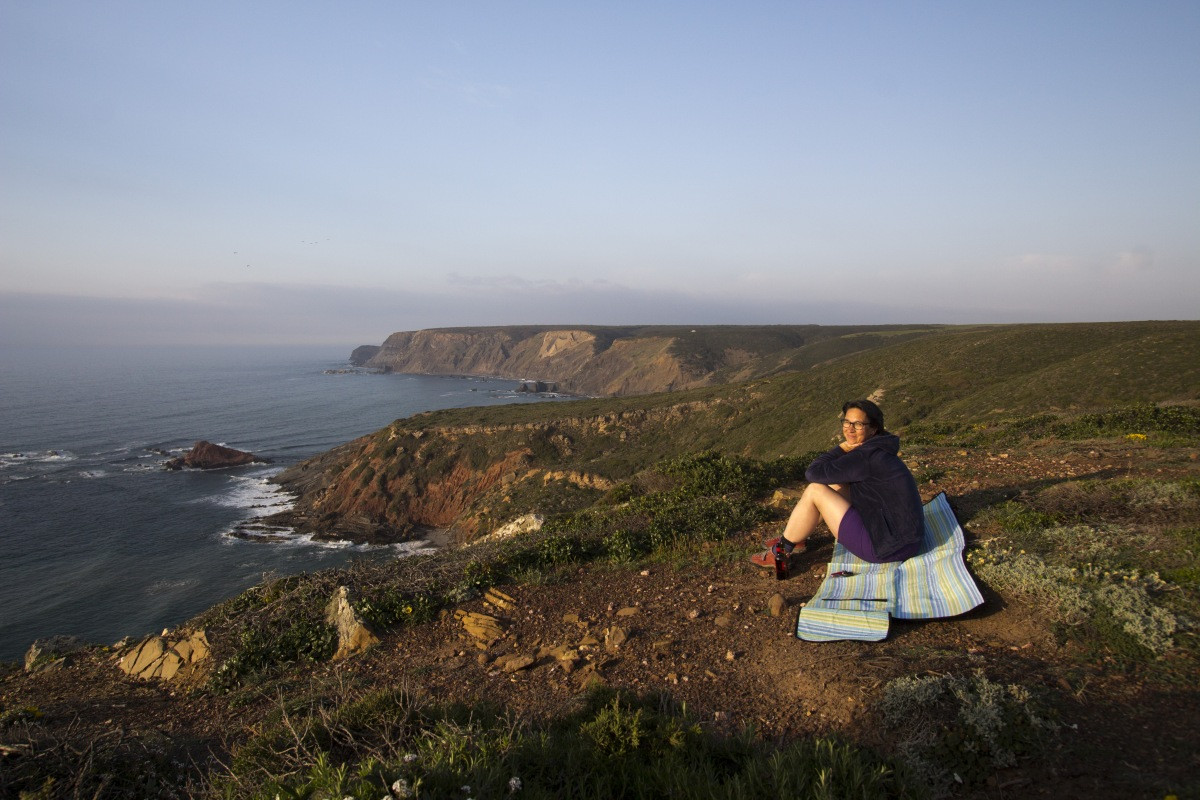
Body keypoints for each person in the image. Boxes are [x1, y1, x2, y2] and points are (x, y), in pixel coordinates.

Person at [751, 399, 924, 569]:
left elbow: (813, 473)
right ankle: (797, 537)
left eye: (858, 424)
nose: (850, 428)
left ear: (873, 428)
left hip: (886, 548)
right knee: (835, 487)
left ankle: (781, 553)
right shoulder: (880, 447)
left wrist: (841, 449)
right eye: (847, 422)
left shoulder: (865, 457)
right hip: (906, 539)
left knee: (815, 490)